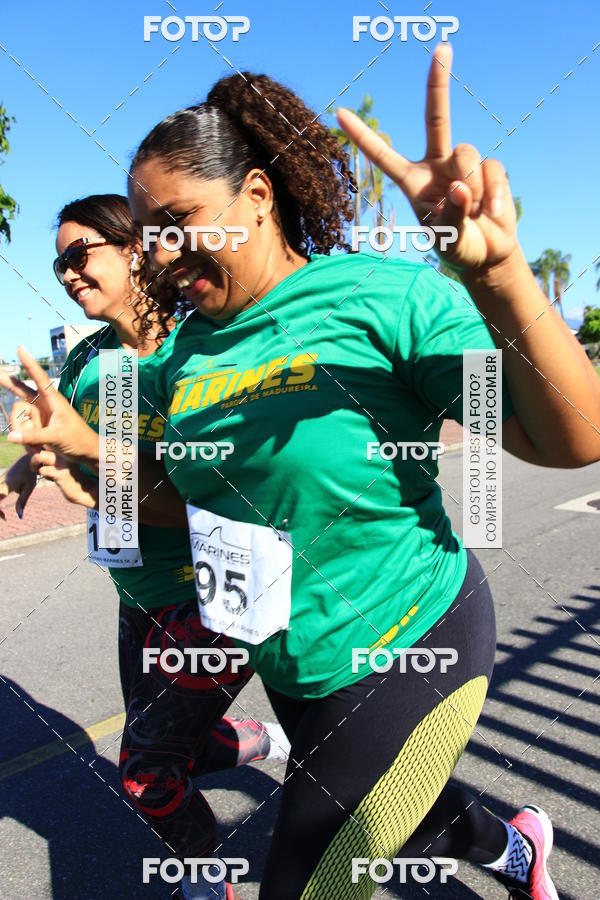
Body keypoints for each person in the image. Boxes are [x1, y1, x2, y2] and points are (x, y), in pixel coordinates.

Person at [5, 44, 599, 900]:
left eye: (182, 222)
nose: (166, 254)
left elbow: (571, 439)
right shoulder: (186, 357)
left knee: (314, 879)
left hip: (410, 637)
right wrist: (93, 460)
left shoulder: (384, 298)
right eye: (153, 236)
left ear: (257, 194)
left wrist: (502, 276)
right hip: (291, 658)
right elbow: (187, 505)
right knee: (414, 811)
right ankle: (517, 846)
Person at [0, 195, 288, 900]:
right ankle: (245, 738)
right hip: (137, 593)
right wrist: (18, 474)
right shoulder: (89, 360)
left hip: (217, 591)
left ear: (134, 250)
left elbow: (222, 494)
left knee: (145, 772)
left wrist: (95, 479)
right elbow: (52, 431)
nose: (67, 274)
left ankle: (199, 869)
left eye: (79, 255)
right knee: (165, 739)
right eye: (58, 263)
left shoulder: (197, 350)